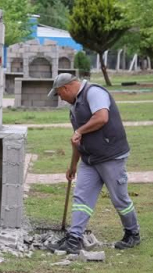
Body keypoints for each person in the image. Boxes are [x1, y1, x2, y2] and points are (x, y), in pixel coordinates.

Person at [48, 73, 141, 253]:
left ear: (66, 88)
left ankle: (132, 233)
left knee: (120, 199)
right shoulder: (74, 107)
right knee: (81, 198)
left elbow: (102, 117)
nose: (61, 98)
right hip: (89, 159)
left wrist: (80, 131)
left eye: (59, 94)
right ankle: (74, 239)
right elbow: (77, 139)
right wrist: (73, 165)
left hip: (110, 156)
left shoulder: (94, 92)